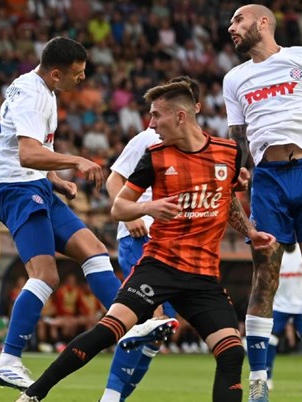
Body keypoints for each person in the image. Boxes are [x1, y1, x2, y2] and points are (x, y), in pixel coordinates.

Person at [16, 80, 275, 402]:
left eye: (156, 115)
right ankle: (33, 395)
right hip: (159, 266)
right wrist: (148, 207)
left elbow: (228, 199)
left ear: (181, 116)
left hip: (203, 276)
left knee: (232, 352)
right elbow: (118, 207)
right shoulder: (155, 156)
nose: (151, 123)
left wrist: (249, 231)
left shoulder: (228, 153)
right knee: (107, 330)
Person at [223, 5, 302, 402]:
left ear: (263, 22)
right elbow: (238, 138)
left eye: (238, 21)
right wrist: (236, 173)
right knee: (264, 278)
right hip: (269, 180)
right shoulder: (234, 79)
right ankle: (259, 381)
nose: (231, 28)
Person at [0, 36, 122, 390]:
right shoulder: (32, 94)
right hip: (14, 186)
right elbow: (27, 154)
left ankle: (131, 324)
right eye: (78, 73)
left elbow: (33, 150)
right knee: (45, 275)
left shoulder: (43, 89)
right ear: (56, 73)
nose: (83, 78)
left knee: (93, 250)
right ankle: (8, 359)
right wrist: (76, 161)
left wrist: (56, 180)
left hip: (35, 185)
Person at [99, 76, 202, 402]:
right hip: (140, 237)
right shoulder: (146, 140)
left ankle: (115, 398)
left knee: (158, 332)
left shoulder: (196, 148)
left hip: (174, 246)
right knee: (146, 319)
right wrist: (131, 216)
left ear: (193, 109)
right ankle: (110, 398)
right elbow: (114, 181)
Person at [265, 243, 302, 391]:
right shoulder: (277, 254)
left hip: (301, 305)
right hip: (280, 305)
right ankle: (267, 377)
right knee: (271, 340)